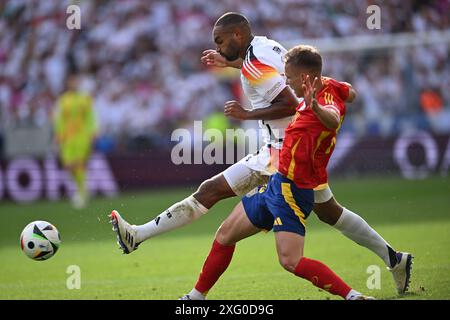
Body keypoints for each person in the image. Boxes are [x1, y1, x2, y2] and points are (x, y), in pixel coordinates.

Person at [109, 12, 412, 294]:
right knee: (331, 213)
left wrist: (245, 114)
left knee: (214, 196)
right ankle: (394, 258)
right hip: (290, 148)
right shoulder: (266, 47)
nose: (217, 46)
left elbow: (289, 102)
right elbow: (279, 78)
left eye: (220, 41)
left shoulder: (254, 64)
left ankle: (139, 237)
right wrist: (231, 64)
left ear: (237, 35)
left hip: (282, 155)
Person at [181, 45, 378, 300]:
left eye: (290, 77)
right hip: (276, 181)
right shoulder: (329, 86)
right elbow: (350, 92)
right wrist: (342, 89)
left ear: (306, 78)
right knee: (225, 234)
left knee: (290, 261)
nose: (286, 81)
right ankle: (195, 297)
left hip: (293, 189)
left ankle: (354, 297)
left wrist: (315, 106)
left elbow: (331, 118)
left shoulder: (323, 102)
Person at [54, 73, 97, 209]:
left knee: (79, 164)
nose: (73, 84)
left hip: (81, 136)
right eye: (71, 81)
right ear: (67, 83)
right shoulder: (63, 100)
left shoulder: (85, 98)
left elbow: (91, 116)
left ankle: (82, 193)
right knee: (68, 166)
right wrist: (59, 133)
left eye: (75, 81)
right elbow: (59, 119)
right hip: (67, 138)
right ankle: (82, 189)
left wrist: (93, 131)